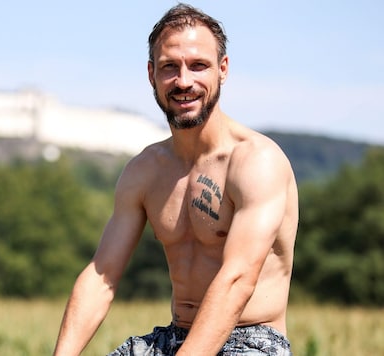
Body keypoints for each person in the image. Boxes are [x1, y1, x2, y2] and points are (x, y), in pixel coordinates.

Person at [53, 3, 299, 355]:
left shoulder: (255, 162)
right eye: (170, 67)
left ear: (223, 70)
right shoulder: (145, 170)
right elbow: (101, 276)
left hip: (251, 341)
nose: (184, 81)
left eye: (198, 66)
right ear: (152, 74)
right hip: (172, 338)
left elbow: (237, 279)